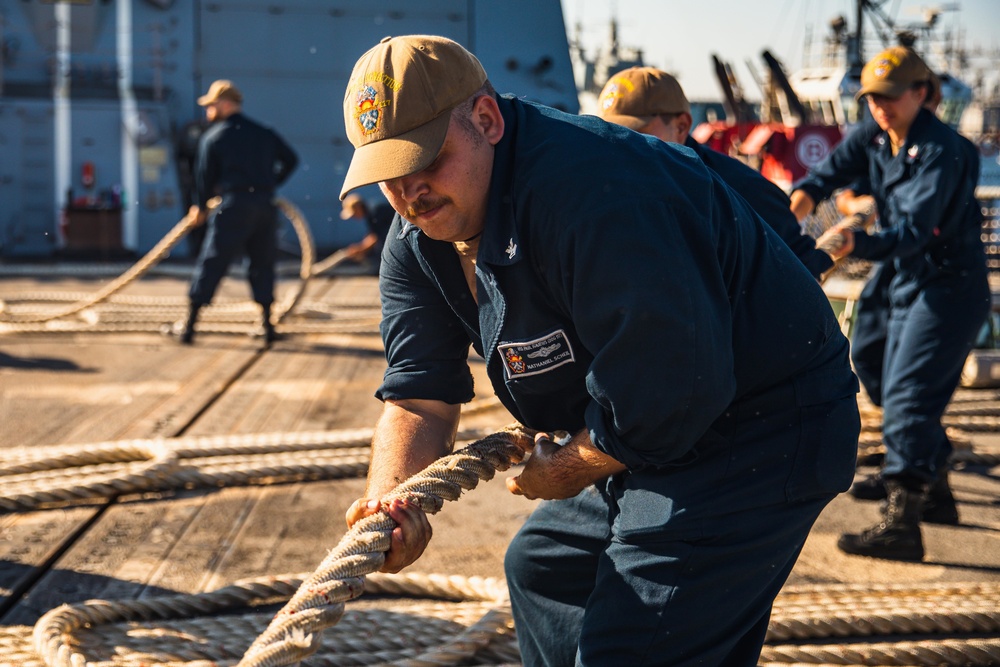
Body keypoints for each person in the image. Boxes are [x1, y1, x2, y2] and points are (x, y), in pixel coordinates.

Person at [341, 35, 860, 666]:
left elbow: (676, 391)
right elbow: (419, 392)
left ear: (486, 119)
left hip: (759, 425)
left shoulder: (596, 194)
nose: (409, 191)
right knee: (545, 573)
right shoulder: (418, 233)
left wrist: (567, 468)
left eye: (427, 159)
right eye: (388, 174)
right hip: (638, 417)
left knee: (634, 647)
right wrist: (392, 501)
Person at [789, 46, 989, 562]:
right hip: (899, 275)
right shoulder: (875, 136)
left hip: (945, 283)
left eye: (891, 97)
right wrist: (793, 212)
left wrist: (856, 243)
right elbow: (822, 178)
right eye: (872, 98)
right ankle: (934, 484)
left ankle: (903, 523)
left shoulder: (944, 151)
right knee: (870, 365)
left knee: (908, 395)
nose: (880, 107)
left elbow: (916, 231)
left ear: (921, 94)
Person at [597, 66, 834, 281]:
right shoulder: (611, 185)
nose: (621, 144)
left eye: (634, 132)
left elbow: (801, 268)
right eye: (611, 133)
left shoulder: (741, 190)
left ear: (681, 126)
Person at [180, 79, 299, 345]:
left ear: (224, 104)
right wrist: (269, 185)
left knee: (213, 262)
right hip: (264, 207)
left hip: (233, 206)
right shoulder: (264, 133)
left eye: (210, 106)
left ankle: (189, 327)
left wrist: (199, 206)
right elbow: (291, 160)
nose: (208, 111)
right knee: (263, 264)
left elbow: (202, 177)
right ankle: (268, 328)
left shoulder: (214, 136)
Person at [338, 193, 395, 274]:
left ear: (358, 208)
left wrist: (360, 249)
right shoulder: (371, 211)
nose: (354, 217)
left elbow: (376, 237)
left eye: (353, 214)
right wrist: (360, 247)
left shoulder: (376, 212)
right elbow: (373, 234)